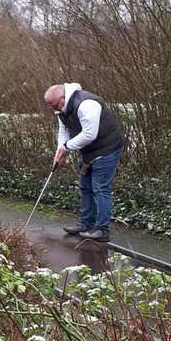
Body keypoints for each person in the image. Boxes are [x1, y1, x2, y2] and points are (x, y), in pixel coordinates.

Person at [44, 83, 124, 242]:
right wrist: (60, 150)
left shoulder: (87, 104)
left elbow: (89, 134)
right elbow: (64, 131)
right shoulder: (62, 109)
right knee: (85, 187)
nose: (54, 110)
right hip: (88, 153)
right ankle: (86, 224)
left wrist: (67, 147)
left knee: (100, 188)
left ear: (63, 98)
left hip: (107, 149)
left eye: (54, 105)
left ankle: (102, 230)